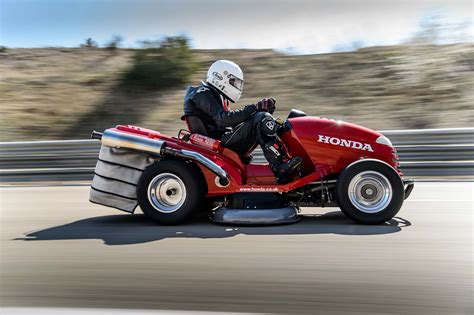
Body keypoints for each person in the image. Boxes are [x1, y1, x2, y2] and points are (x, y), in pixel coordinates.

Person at [182, 60, 302, 184]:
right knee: (261, 118)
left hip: (220, 140)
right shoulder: (201, 93)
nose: (236, 86)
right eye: (233, 82)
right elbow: (224, 120)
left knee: (264, 118)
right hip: (216, 144)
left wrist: (260, 109)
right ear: (220, 77)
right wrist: (255, 108)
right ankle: (279, 167)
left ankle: (284, 159)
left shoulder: (213, 94)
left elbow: (230, 122)